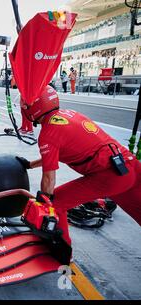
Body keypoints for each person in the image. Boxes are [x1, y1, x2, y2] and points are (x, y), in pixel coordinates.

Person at [17, 86, 141, 245]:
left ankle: (61, 251)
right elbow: (56, 154)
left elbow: (49, 178)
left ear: (33, 107)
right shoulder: (71, 114)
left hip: (111, 175)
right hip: (129, 165)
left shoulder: (48, 133)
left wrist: (45, 201)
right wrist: (29, 165)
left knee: (55, 204)